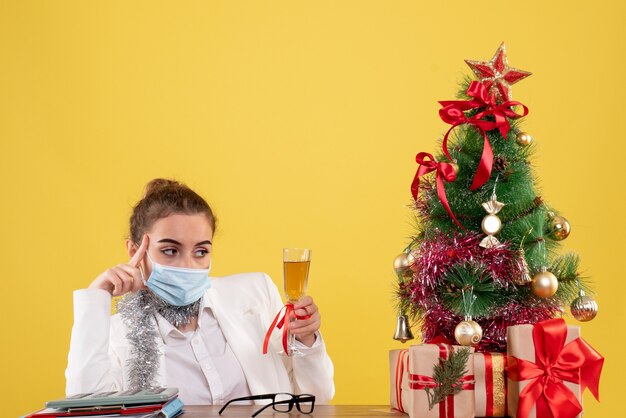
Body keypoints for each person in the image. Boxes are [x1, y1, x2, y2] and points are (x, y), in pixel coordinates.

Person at [65, 179, 334, 405]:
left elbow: (315, 398)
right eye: (170, 250)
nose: (188, 265)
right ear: (135, 251)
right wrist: (96, 297)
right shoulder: (114, 334)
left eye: (201, 251)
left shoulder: (255, 294)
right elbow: (85, 407)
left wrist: (306, 339)